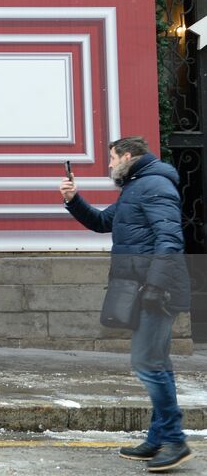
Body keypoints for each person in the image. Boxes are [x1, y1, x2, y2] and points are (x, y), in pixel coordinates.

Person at [61, 136, 193, 472]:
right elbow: (103, 223)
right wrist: (74, 200)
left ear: (128, 156)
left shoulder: (154, 186)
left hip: (155, 291)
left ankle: (175, 441)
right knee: (156, 363)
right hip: (142, 287)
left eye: (112, 158)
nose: (109, 165)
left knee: (148, 364)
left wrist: (156, 286)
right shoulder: (136, 187)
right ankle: (157, 438)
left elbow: (170, 237)